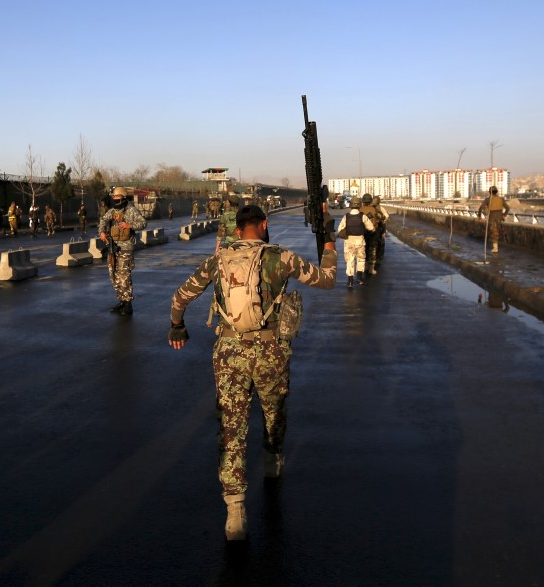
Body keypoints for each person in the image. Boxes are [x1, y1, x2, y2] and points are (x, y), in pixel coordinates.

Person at [168, 205, 336, 541]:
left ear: (237, 229)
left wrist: (177, 327)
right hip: (271, 351)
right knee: (273, 411)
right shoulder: (280, 257)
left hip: (230, 353)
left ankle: (235, 513)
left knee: (232, 426)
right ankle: (273, 462)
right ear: (263, 225)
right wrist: (329, 243)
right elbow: (327, 280)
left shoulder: (219, 260)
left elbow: (182, 295)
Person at [98, 186, 147, 315]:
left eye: (117, 197)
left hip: (125, 248)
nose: (115, 199)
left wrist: (129, 225)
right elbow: (103, 220)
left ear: (123, 197)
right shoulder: (113, 211)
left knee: (124, 276)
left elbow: (143, 223)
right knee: (113, 274)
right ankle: (121, 300)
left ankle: (127, 304)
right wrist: (102, 232)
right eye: (113, 197)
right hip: (113, 247)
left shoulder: (131, 210)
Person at [336, 196, 374, 288]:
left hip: (349, 241)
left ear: (351, 205)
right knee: (361, 259)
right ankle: (360, 278)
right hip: (360, 240)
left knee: (350, 260)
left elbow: (340, 229)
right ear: (359, 205)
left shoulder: (346, 216)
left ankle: (350, 282)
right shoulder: (363, 216)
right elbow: (371, 228)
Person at [477, 186, 510, 253]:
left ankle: (495, 248)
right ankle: (503, 243)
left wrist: (480, 216)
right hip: (499, 217)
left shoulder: (488, 199)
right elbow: (508, 208)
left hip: (492, 217)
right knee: (498, 230)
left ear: (490, 192)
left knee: (494, 232)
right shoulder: (501, 199)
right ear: (496, 192)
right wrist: (504, 215)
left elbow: (481, 208)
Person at [372, 196, 389, 266]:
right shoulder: (381, 208)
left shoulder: (371, 208)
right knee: (380, 243)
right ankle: (378, 258)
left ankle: (373, 258)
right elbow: (386, 217)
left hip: (373, 228)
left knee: (373, 244)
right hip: (380, 228)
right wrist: (383, 222)